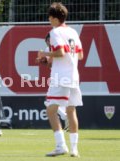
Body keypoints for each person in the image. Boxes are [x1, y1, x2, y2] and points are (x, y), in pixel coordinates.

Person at [37, 2, 83, 157]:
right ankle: (74, 149)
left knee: (50, 110)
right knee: (71, 110)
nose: (49, 20)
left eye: (50, 18)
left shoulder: (55, 32)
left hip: (60, 77)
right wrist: (53, 59)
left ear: (55, 19)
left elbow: (60, 53)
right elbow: (80, 55)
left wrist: (45, 54)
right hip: (73, 76)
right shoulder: (73, 32)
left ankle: (61, 146)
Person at [44, 33, 69, 131]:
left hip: (59, 77)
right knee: (56, 102)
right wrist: (44, 60)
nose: (48, 43)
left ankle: (65, 117)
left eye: (49, 41)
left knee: (49, 102)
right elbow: (49, 65)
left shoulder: (60, 48)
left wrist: (48, 59)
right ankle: (67, 121)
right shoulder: (48, 50)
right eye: (47, 42)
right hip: (61, 77)